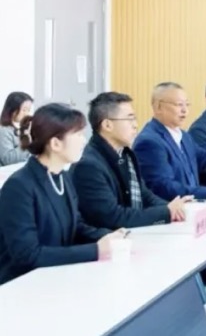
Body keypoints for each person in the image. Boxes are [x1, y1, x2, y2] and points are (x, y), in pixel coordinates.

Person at [0, 103, 123, 284]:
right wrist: (96, 250)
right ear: (55, 144)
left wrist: (107, 236)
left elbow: (76, 226)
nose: (83, 141)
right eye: (78, 134)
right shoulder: (19, 187)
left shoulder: (62, 177)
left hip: (53, 278)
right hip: (20, 285)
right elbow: (27, 255)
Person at [73, 92, 189, 229]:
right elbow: (113, 217)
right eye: (130, 119)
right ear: (107, 125)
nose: (135, 125)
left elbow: (144, 195)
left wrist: (173, 208)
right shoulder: (89, 166)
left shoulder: (125, 155)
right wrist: (166, 212)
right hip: (108, 238)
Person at [133, 82, 206, 201]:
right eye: (179, 105)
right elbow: (162, 186)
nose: (185, 110)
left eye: (187, 104)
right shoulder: (149, 142)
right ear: (158, 107)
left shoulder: (184, 136)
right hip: (172, 209)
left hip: (193, 206)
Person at [0, 92, 32, 166]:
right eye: (24, 110)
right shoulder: (3, 131)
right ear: (13, 110)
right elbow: (8, 159)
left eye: (28, 110)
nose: (27, 114)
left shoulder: (19, 128)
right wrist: (28, 142)